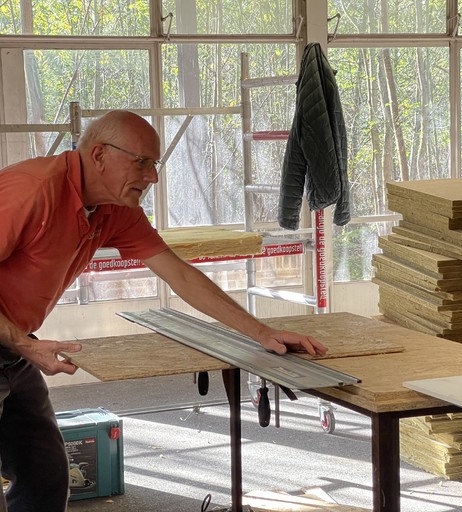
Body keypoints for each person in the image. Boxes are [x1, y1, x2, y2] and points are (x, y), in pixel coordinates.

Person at [0, 110, 327, 512]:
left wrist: (263, 333)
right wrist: (24, 344)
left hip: (12, 349)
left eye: (154, 164)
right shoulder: (31, 191)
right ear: (99, 155)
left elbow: (180, 275)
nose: (152, 177)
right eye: (141, 162)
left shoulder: (115, 208)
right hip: (16, 343)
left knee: (44, 478)